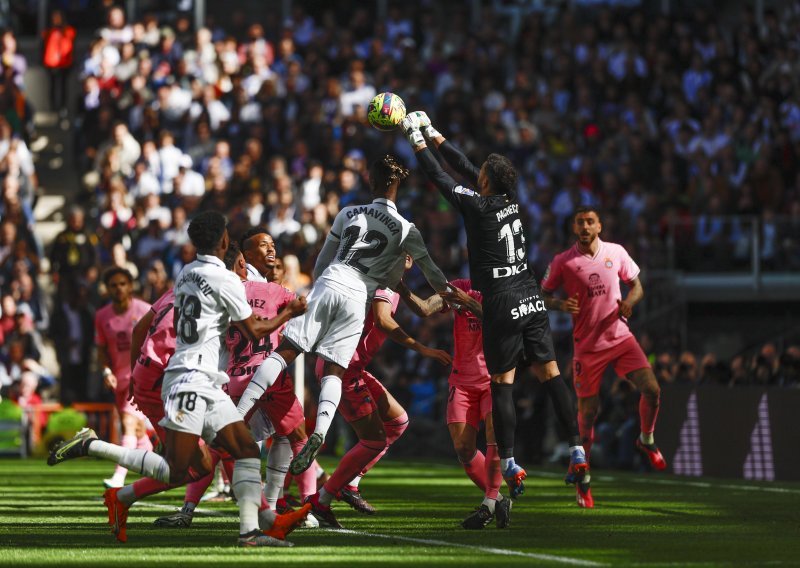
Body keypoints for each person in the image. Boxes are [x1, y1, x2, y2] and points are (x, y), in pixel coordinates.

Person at [49, 211, 308, 548]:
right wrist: (289, 312)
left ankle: (250, 534)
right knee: (178, 470)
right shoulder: (224, 280)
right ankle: (90, 445)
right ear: (225, 241)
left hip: (203, 380)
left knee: (244, 449)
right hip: (188, 379)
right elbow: (254, 329)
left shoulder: (186, 273)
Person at [400, 111, 587, 498]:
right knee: (551, 375)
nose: (476, 173)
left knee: (503, 384)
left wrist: (416, 140)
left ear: (485, 181)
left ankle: (512, 461)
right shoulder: (510, 201)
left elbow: (443, 178)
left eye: (481, 172)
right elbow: (468, 168)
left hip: (501, 298)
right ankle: (577, 449)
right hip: (531, 295)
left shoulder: (478, 208)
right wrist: (435, 132)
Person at [236, 155, 449, 488]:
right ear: (398, 187)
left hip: (333, 279)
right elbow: (435, 277)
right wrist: (446, 295)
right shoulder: (408, 229)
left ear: (371, 181)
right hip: (358, 297)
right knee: (334, 370)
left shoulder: (349, 213)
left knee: (285, 353)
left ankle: (239, 415)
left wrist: (320, 292)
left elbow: (323, 260)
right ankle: (320, 432)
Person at [152, 242, 312, 530]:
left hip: (227, 377)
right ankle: (299, 506)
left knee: (223, 448)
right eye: (265, 247)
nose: (272, 254)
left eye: (273, 247)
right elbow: (299, 308)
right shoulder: (268, 291)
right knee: (293, 435)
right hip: (266, 376)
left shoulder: (212, 288)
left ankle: (192, 509)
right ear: (244, 259)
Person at [304, 255, 452, 528]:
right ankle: (321, 501)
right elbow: (383, 321)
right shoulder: (381, 281)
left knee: (397, 422)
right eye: (401, 248)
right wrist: (424, 349)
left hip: (353, 367)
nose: (408, 255)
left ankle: (351, 483)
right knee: (373, 440)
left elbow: (422, 308)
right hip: (342, 368)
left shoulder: (390, 281)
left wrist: (452, 295)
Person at [541, 206, 666, 508]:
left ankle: (645, 439)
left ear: (599, 226)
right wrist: (560, 305)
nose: (585, 227)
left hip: (620, 337)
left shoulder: (617, 252)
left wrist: (629, 304)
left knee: (652, 390)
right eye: (580, 222)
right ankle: (583, 483)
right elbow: (540, 297)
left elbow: (637, 287)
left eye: (590, 222)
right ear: (574, 228)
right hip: (587, 346)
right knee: (588, 415)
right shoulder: (563, 262)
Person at [399, 278, 511, 529]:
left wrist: (469, 303)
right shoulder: (458, 285)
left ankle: (488, 503)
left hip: (494, 378)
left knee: (493, 439)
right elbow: (425, 308)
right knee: (463, 448)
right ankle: (499, 499)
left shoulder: (502, 287)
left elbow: (502, 324)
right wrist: (401, 287)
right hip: (461, 381)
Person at [94, 267, 152, 489]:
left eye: (122, 284)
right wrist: (106, 372)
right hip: (118, 379)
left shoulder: (146, 310)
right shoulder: (102, 316)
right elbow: (101, 349)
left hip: (141, 377)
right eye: (113, 285)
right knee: (137, 430)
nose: (118, 288)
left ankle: (119, 476)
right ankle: (155, 472)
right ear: (107, 289)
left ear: (130, 286)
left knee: (128, 424)